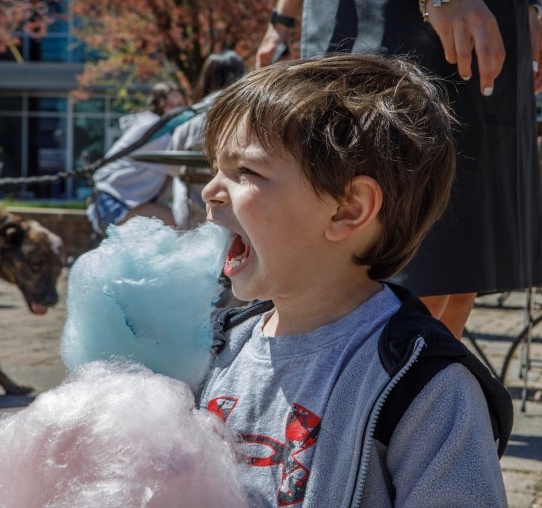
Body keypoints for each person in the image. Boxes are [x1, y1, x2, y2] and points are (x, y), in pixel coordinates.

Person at [197, 55, 512, 506]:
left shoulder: (426, 386)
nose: (210, 190)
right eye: (215, 168)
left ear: (348, 208)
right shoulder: (217, 350)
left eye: (246, 171)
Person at [256, 0, 542, 340]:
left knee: (460, 279)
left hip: (491, 25)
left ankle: (419, 390)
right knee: (396, 280)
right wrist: (283, 19)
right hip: (391, 21)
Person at [86, 82, 186, 235]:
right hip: (114, 205)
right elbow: (181, 169)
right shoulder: (156, 131)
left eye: (181, 104)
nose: (178, 110)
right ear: (159, 106)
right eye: (171, 105)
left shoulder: (156, 128)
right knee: (182, 223)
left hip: (107, 203)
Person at [166, 51, 245, 228]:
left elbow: (171, 166)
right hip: (238, 213)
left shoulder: (189, 120)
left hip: (193, 213)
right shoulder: (249, 117)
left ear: (207, 78)